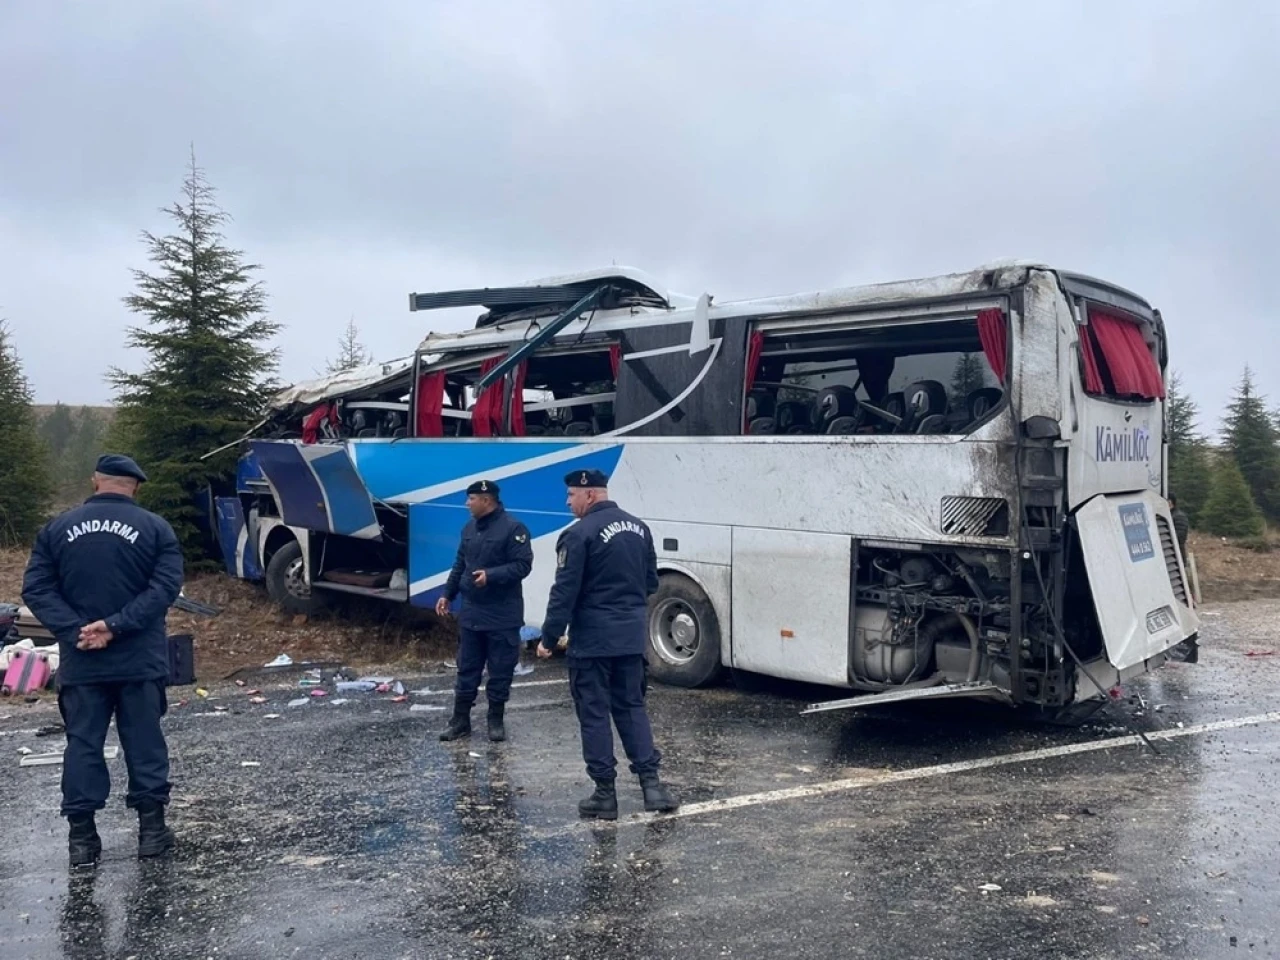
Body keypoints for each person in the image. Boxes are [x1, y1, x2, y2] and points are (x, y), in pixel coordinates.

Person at [21, 454, 184, 868]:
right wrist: (114, 626)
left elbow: (36, 588)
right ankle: (151, 834)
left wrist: (77, 629)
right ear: (136, 486)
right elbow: (164, 588)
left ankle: (82, 841)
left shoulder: (57, 528)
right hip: (139, 659)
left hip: (82, 661)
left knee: (84, 745)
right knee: (144, 742)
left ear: (96, 481)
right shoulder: (155, 528)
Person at [536, 468, 678, 819]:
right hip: (630, 639)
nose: (568, 502)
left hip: (593, 642)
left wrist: (549, 638)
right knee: (631, 708)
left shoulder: (578, 534)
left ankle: (604, 794)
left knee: (594, 714)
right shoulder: (638, 528)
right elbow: (650, 583)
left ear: (590, 494)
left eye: (571, 496)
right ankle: (652, 787)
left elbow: (564, 592)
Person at [436, 479, 534, 743]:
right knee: (466, 669)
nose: (467, 504)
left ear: (486, 500)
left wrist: (491, 575)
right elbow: (460, 565)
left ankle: (495, 720)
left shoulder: (514, 529)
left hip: (502, 614)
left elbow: (523, 566)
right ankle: (460, 721)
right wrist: (447, 595)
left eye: (471, 499)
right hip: (472, 614)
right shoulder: (469, 528)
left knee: (500, 671)